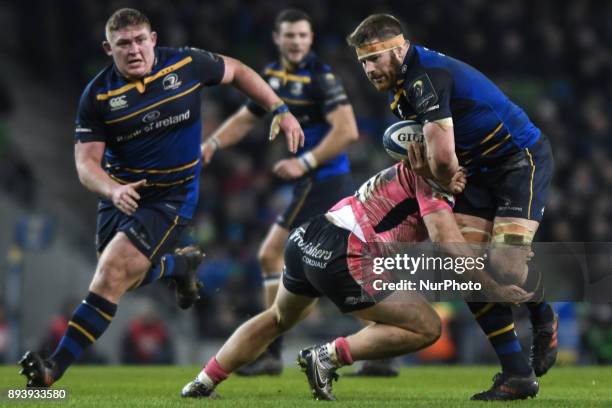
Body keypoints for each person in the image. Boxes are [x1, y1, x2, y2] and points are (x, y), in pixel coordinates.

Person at [19, 7, 303, 388]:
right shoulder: (98, 96)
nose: (134, 50)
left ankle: (52, 370)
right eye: (124, 44)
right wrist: (112, 189)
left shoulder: (185, 63)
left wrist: (280, 110)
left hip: (172, 195)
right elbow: (86, 164)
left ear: (153, 39)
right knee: (122, 280)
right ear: (108, 48)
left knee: (110, 274)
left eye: (140, 40)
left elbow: (237, 70)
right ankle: (177, 268)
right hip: (122, 194)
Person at [180, 159, 531, 401]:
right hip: (346, 252)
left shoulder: (409, 167)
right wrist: (494, 285)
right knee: (426, 326)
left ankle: (203, 381)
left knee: (278, 318)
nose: (462, 176)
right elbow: (447, 243)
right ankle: (327, 356)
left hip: (309, 235)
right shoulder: (433, 184)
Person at [346, 14, 557, 400]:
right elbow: (435, 154)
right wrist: (438, 169)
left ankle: (544, 317)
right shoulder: (403, 83)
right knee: (465, 266)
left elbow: (442, 157)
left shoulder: (423, 78)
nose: (368, 68)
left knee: (506, 265)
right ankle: (516, 374)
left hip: (517, 160)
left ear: (398, 49)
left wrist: (442, 176)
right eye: (362, 61)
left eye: (374, 58)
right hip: (475, 169)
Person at [201, 9, 359, 375]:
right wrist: (212, 142)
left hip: (325, 180)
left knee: (271, 255)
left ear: (311, 39)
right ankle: (382, 344)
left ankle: (271, 352)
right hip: (312, 182)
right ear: (277, 38)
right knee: (336, 267)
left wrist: (304, 163)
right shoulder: (273, 77)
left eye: (303, 36)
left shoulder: (321, 77)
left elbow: (348, 130)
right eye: (290, 36)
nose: (297, 42)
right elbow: (244, 119)